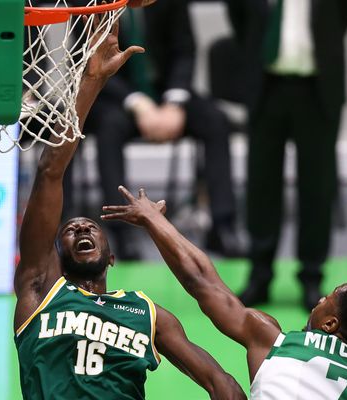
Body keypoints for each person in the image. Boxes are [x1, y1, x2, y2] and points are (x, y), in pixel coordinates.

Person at [13, 19, 246, 400]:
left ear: (112, 257)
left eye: (90, 228)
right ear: (53, 257)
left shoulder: (147, 314)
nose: (82, 230)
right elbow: (50, 172)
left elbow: (222, 384)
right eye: (70, 230)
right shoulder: (39, 293)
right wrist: (91, 81)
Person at [102, 186, 347, 399]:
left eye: (328, 300)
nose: (320, 299)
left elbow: (202, 282)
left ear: (330, 325)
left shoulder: (279, 344)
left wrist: (153, 219)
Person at [79, 0, 243, 260]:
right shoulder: (91, 4)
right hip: (117, 96)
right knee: (109, 127)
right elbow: (85, 62)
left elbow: (185, 50)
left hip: (167, 94)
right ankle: (121, 232)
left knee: (215, 120)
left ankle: (223, 226)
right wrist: (137, 103)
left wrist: (175, 101)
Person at [224, 0, 347, 309]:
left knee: (317, 185)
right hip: (266, 87)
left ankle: (311, 275)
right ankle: (260, 273)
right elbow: (239, 16)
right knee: (262, 184)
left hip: (318, 87)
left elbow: (343, 14)